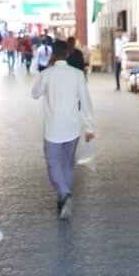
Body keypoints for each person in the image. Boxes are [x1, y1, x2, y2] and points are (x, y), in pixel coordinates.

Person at [31, 40, 94, 219]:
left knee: (53, 164)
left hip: (53, 128)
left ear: (53, 55)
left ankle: (64, 194)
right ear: (67, 54)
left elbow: (34, 93)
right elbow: (86, 101)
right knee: (67, 163)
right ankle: (62, 198)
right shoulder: (77, 74)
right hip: (73, 127)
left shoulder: (47, 74)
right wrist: (89, 126)